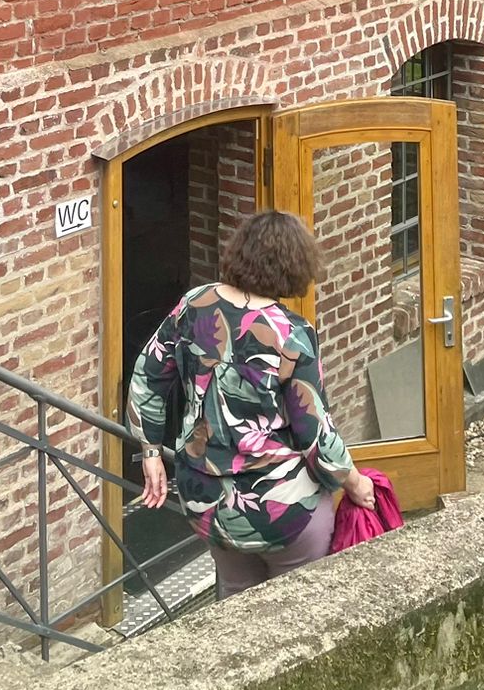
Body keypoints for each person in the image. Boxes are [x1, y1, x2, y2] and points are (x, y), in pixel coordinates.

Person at [127, 208, 376, 597]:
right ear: (295, 266)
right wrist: (356, 483)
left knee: (236, 598)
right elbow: (314, 433)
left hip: (206, 502)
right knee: (299, 606)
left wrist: (151, 452)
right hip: (282, 509)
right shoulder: (292, 334)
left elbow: (147, 376)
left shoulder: (193, 305)